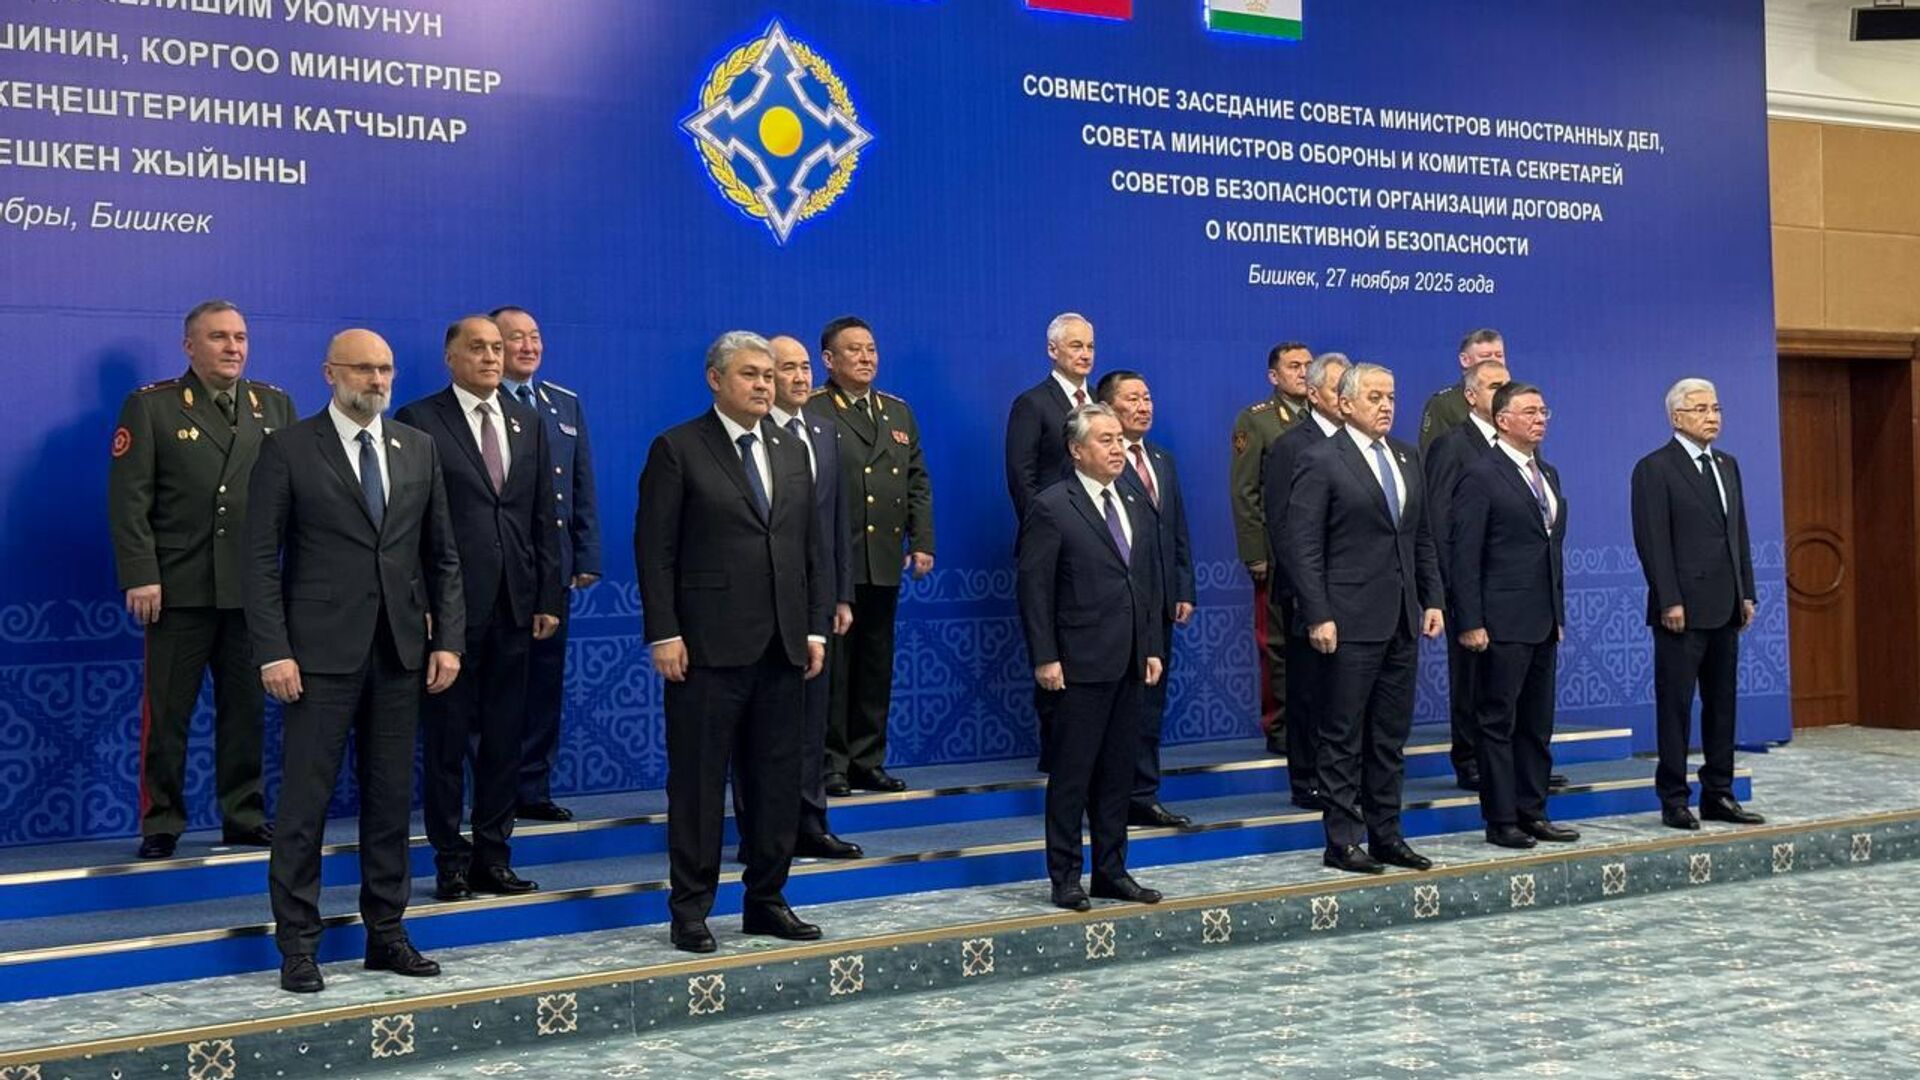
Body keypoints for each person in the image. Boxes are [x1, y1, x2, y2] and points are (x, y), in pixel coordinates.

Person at [245, 329, 463, 993]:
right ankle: (298, 945)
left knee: (391, 801)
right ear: (330, 373)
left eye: (385, 369)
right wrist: (274, 650)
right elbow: (258, 560)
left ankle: (387, 933)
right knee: (304, 806)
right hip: (316, 657)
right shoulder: (287, 449)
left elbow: (442, 555)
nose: (377, 380)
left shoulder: (416, 447)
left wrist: (448, 640)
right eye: (364, 369)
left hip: (400, 652)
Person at [637, 331, 831, 953]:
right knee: (698, 786)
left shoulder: (791, 447)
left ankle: (767, 900)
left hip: (783, 645)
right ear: (715, 378)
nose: (764, 385)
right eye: (751, 374)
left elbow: (810, 546)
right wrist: (665, 631)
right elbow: (655, 550)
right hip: (705, 649)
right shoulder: (678, 448)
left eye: (768, 376)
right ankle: (691, 909)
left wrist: (814, 627)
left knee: (776, 782)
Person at [108, 299, 295, 859]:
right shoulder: (153, 406)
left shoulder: (275, 405)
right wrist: (141, 574)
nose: (233, 347)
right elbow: (129, 501)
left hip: (248, 589)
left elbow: (294, 496)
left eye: (240, 337)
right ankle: (161, 820)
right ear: (190, 346)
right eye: (219, 337)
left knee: (246, 711)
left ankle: (244, 814)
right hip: (178, 587)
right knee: (168, 713)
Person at [394, 317, 563, 902]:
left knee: (503, 740)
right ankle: (451, 861)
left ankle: (495, 855)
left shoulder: (527, 421)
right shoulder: (420, 419)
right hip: (450, 612)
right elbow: (406, 523)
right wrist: (422, 603)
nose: (493, 357)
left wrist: (546, 595)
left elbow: (541, 516)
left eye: (497, 347)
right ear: (451, 357)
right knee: (446, 744)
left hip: (515, 605)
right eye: (479, 348)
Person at [1289, 362, 1445, 875]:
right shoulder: (1320, 459)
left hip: (1401, 619)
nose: (1386, 406)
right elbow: (1303, 546)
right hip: (1347, 620)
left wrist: (1432, 599)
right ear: (1345, 403)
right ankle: (1341, 840)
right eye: (1375, 397)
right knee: (1342, 736)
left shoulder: (1406, 455)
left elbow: (1421, 536)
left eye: (1391, 396)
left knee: (1389, 737)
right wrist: (1318, 613)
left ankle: (1387, 836)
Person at [1017, 403, 1165, 911]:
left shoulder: (1134, 500)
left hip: (1129, 659)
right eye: (1105, 440)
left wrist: (1151, 646)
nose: (1118, 447)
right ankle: (1065, 877)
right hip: (1077, 663)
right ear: (1076, 450)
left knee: (1118, 775)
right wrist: (1045, 657)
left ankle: (1111, 871)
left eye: (1119, 439)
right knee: (1072, 776)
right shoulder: (1052, 506)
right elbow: (1035, 589)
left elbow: (1144, 582)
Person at [1447, 382, 1579, 849]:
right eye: (1529, 412)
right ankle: (1501, 819)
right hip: (1498, 621)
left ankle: (1533, 811)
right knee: (1497, 722)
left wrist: (1557, 613)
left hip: (1542, 620)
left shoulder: (1549, 473)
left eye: (1544, 412)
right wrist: (1470, 620)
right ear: (1502, 420)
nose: (1540, 419)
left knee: (1537, 724)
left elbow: (1550, 551)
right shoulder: (1480, 474)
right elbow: (1464, 555)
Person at [1630, 378, 1765, 831]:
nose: (1712, 417)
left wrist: (1746, 591)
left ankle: (1719, 793)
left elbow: (1737, 534)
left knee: (1722, 704)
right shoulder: (1655, 468)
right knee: (1676, 707)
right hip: (1681, 611)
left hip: (1726, 606)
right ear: (1676, 417)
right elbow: (1653, 541)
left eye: (1716, 408)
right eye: (1701, 409)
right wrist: (1669, 598)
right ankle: (1674, 798)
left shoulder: (1727, 465)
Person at [806, 317, 933, 795]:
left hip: (882, 557)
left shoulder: (897, 412)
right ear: (828, 360)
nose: (866, 358)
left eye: (871, 349)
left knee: (876, 665)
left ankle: (867, 759)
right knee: (835, 667)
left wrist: (922, 541)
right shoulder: (814, 408)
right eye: (854, 350)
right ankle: (831, 763)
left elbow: (917, 480)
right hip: (835, 559)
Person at [747, 334, 861, 858]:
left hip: (815, 601)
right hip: (761, 602)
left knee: (814, 719)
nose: (798, 378)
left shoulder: (823, 431)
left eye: (803, 368)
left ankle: (810, 823)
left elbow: (836, 523)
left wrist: (840, 594)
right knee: (761, 728)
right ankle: (761, 832)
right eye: (785, 369)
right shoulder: (752, 434)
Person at [494, 306, 603, 824]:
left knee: (544, 684)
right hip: (497, 568)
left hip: (551, 568)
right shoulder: (481, 404)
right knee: (495, 685)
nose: (528, 346)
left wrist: (586, 554)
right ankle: (492, 788)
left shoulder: (563, 403)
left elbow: (580, 484)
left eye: (534, 336)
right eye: (515, 338)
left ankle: (533, 786)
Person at [1098, 370, 1195, 830]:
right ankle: (1107, 797)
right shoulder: (1101, 464)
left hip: (1160, 604)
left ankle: (1142, 793)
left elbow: (1176, 531)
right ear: (1107, 408)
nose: (1143, 406)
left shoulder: (1161, 460)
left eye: (1147, 397)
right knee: (1115, 707)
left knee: (1150, 706)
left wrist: (1183, 587)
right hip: (1117, 606)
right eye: (1132, 399)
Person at [1005, 312, 1096, 772]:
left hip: (1099, 552)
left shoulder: (1099, 406)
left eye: (1090, 346)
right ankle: (1056, 754)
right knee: (1054, 647)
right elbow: (1021, 476)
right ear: (1052, 350)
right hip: (1053, 547)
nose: (1085, 354)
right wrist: (1046, 532)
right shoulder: (1033, 404)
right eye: (1076, 345)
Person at [1260, 351, 1349, 810]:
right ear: (1314, 394)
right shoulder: (1291, 446)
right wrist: (1306, 596)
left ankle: (1342, 776)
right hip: (1308, 593)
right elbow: (1283, 526)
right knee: (1309, 692)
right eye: (1338, 388)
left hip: (1356, 591)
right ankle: (1307, 778)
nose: (1347, 397)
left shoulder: (1360, 444)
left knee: (1345, 695)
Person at [1423, 358, 1509, 791]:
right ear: (1471, 396)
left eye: (1508, 384)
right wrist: (1445, 587)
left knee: (1509, 680)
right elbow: (1438, 519)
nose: (1504, 393)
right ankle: (1470, 758)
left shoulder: (1518, 446)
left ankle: (1511, 763)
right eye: (1494, 386)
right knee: (1472, 679)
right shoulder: (1451, 446)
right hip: (1468, 583)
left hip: (1513, 586)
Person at [1230, 342, 1312, 753]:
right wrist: (1255, 552)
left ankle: (1312, 723)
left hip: (1317, 555)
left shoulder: (1329, 415)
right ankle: (1279, 727)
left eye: (1308, 365)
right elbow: (1245, 492)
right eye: (1294, 366)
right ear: (1273, 376)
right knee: (1276, 644)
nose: (1303, 372)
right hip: (1276, 555)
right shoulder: (1258, 420)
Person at [1417, 329, 1505, 453]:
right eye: (1486, 356)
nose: (1494, 361)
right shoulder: (1444, 405)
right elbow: (1433, 455)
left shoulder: (1517, 399)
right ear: (1465, 360)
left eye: (1499, 355)